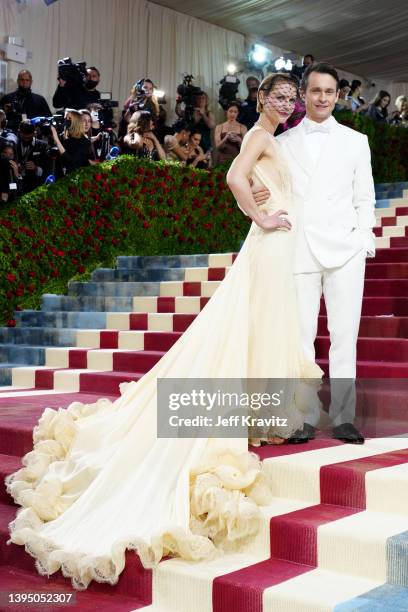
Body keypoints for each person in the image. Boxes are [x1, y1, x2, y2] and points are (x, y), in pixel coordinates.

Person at [5, 72, 322, 591]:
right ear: (260, 98)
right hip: (270, 242)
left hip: (281, 244)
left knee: (265, 321)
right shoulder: (260, 135)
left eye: (292, 97)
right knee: (255, 319)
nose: (286, 103)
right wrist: (260, 219)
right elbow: (233, 178)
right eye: (279, 95)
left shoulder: (275, 135)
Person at [252, 62, 376, 444]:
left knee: (344, 336)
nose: (322, 98)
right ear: (303, 95)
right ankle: (302, 416)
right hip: (299, 247)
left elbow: (364, 197)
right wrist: (260, 196)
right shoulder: (282, 143)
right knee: (301, 337)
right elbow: (268, 187)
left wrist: (362, 241)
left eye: (329, 91)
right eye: (315, 91)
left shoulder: (356, 141)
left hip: (345, 251)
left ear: (337, 96)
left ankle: (343, 417)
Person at [50, 108, 93, 174]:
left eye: (70, 119)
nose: (66, 121)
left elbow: (71, 161)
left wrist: (57, 140)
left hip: (75, 179)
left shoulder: (84, 142)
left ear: (76, 122)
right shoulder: (63, 137)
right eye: (65, 118)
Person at [16, 120, 48, 193]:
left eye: (29, 138)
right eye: (24, 137)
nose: (26, 140)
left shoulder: (42, 146)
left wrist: (36, 168)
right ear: (20, 133)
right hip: (18, 186)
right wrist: (16, 168)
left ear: (34, 133)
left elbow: (47, 169)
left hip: (35, 186)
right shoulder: (14, 145)